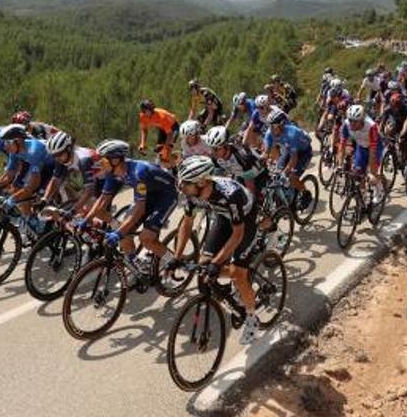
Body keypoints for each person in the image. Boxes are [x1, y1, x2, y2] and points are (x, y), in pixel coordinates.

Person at [173, 156, 261, 344]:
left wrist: (216, 263)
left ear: (201, 182)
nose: (182, 188)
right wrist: (176, 257)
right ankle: (226, 292)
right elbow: (186, 225)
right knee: (203, 268)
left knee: (237, 273)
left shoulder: (230, 195)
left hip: (245, 220)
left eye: (185, 184)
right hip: (222, 218)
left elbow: (237, 234)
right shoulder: (194, 195)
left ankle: (252, 318)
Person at [82, 140, 178, 276]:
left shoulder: (138, 173)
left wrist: (118, 233)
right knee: (123, 231)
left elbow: (140, 210)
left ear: (115, 160)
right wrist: (85, 221)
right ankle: (135, 261)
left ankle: (174, 261)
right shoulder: (112, 173)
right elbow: (103, 200)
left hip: (166, 196)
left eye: (102, 160)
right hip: (148, 195)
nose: (99, 164)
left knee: (146, 238)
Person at [262, 107, 313, 204]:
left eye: (273, 126)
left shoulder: (292, 133)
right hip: (289, 150)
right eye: (269, 126)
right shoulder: (270, 133)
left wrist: (285, 173)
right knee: (277, 172)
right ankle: (287, 194)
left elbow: (294, 159)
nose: (271, 129)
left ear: (281, 125)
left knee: (291, 177)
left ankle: (305, 193)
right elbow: (266, 152)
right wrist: (262, 160)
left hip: (304, 152)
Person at [337, 104, 385, 202]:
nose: (352, 124)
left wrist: (371, 171)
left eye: (355, 122)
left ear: (362, 120)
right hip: (361, 146)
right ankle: (363, 199)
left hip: (375, 148)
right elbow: (342, 145)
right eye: (350, 120)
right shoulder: (346, 124)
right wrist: (340, 165)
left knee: (372, 176)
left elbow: (372, 152)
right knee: (358, 174)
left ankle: (380, 187)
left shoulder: (371, 126)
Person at [204, 125, 268, 198]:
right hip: (240, 175)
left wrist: (252, 198)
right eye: (211, 148)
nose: (213, 152)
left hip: (258, 175)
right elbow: (216, 176)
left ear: (226, 146)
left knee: (255, 199)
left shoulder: (241, 156)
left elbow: (249, 182)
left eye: (216, 149)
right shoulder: (216, 157)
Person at [137, 99, 179, 169]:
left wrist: (165, 147)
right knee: (160, 152)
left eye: (150, 110)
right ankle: (169, 163)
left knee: (166, 152)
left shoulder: (161, 116)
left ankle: (175, 166)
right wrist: (142, 144)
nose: (147, 114)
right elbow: (144, 130)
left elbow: (170, 134)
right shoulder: (142, 116)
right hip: (163, 129)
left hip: (173, 128)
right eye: (144, 111)